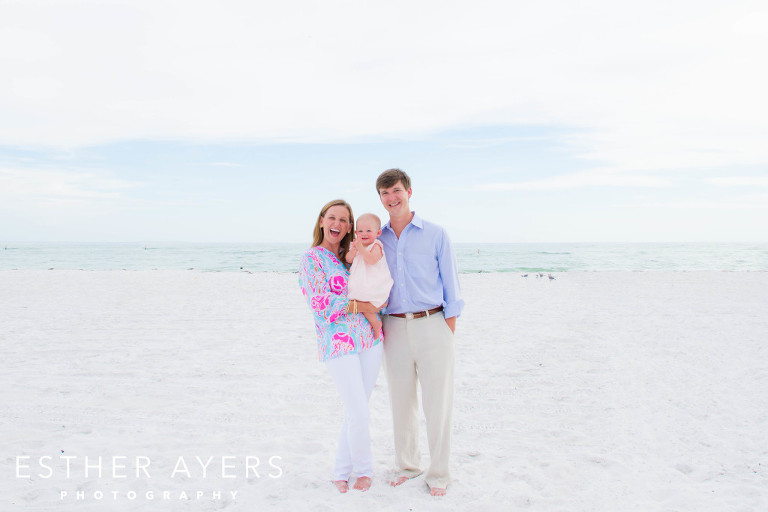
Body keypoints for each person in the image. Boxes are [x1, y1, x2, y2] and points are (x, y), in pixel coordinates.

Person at [376, 169, 465, 497]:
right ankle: (408, 465)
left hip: (433, 323)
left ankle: (439, 472)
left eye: (396, 191)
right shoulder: (378, 237)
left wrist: (448, 326)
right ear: (381, 198)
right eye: (385, 194)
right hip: (394, 326)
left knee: (438, 402)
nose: (392, 198)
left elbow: (451, 282)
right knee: (401, 401)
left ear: (409, 191)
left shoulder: (436, 234)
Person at [297, 199, 385, 493]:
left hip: (370, 340)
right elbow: (321, 303)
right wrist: (365, 308)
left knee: (356, 409)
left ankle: (340, 471)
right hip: (338, 343)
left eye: (344, 220)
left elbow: (375, 283)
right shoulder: (312, 259)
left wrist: (372, 311)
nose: (337, 224)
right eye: (332, 217)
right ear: (322, 220)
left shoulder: (354, 256)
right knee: (358, 411)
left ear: (350, 227)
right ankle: (363, 471)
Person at [345, 213, 394, 340]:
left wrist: (361, 249)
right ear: (356, 232)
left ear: (378, 233)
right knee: (359, 301)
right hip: (360, 281)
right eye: (360, 231)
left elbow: (371, 260)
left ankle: (376, 325)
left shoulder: (376, 245)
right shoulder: (355, 245)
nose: (364, 234)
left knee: (367, 301)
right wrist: (355, 250)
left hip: (373, 282)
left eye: (368, 231)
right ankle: (376, 323)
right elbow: (348, 259)